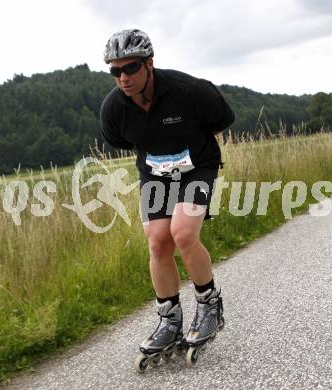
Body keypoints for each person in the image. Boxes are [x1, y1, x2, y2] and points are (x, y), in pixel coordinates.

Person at [100, 29, 235, 367]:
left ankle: (209, 306)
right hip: (154, 173)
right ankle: (169, 320)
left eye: (130, 68)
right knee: (158, 241)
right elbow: (124, 141)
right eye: (115, 71)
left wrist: (187, 147)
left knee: (183, 233)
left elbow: (222, 119)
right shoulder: (114, 109)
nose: (123, 78)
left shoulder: (188, 90)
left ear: (149, 63)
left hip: (196, 168)